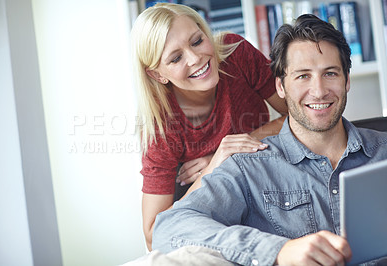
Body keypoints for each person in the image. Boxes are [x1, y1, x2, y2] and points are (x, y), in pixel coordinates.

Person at [152, 14, 387, 265]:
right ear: (280, 87)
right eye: (303, 76)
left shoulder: (382, 150)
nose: (319, 91)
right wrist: (278, 251)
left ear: (346, 81)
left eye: (330, 73)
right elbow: (168, 229)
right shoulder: (247, 169)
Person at [130, 3, 288, 250]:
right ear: (157, 75)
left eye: (196, 41)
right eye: (176, 58)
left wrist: (230, 150)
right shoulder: (161, 129)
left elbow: (299, 114)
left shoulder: (236, 54)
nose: (196, 58)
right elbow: (152, 235)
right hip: (217, 221)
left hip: (272, 186)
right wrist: (214, 166)